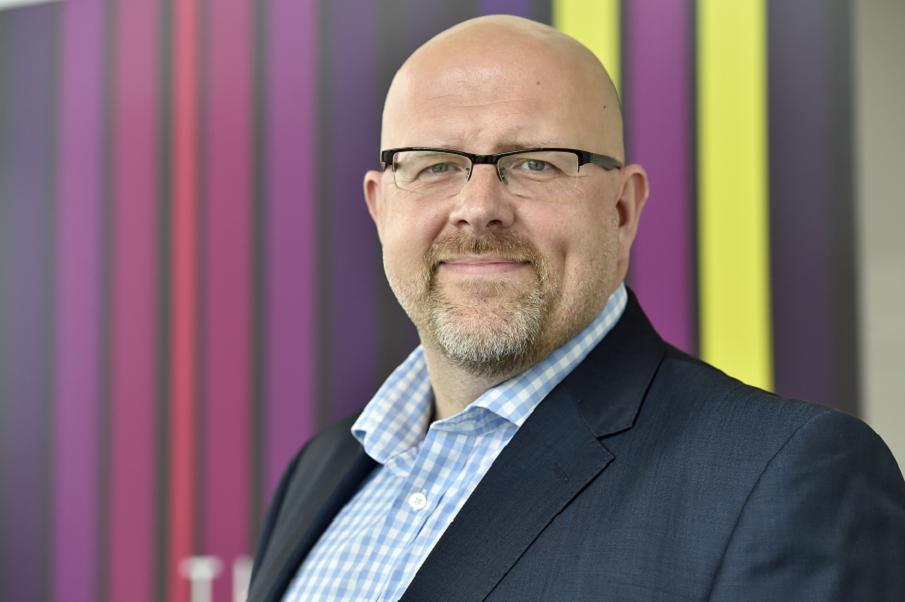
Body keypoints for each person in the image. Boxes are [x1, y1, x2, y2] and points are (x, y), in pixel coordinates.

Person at [248, 15, 905, 602]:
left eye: (535, 163)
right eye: (434, 166)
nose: (477, 207)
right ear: (380, 207)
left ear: (621, 210)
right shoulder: (320, 470)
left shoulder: (782, 476)